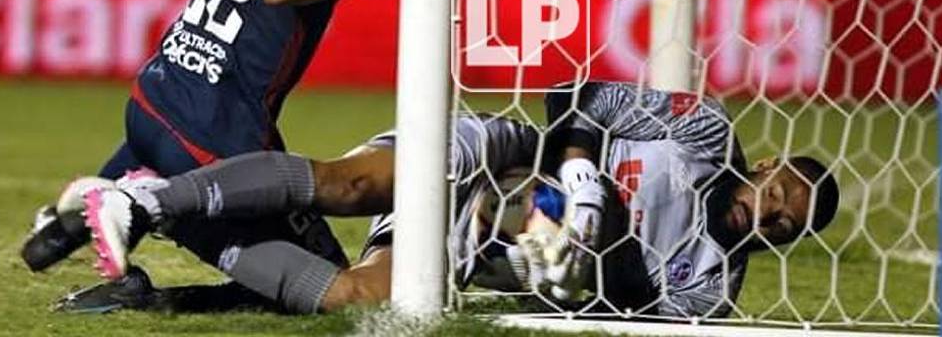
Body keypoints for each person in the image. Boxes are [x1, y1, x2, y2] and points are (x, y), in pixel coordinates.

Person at [21, 0, 547, 304]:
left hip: (155, 101)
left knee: (293, 270)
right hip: (215, 134)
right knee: (346, 287)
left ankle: (81, 220)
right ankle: (143, 204)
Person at [67, 81, 839, 319]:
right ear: (765, 163)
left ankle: (167, 286)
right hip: (493, 158)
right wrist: (578, 177)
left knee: (352, 297)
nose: (767, 217)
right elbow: (574, 94)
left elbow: (619, 321)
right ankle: (151, 204)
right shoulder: (701, 133)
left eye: (783, 227)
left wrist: (589, 255)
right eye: (778, 195)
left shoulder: (710, 287)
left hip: (488, 247)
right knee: (351, 182)